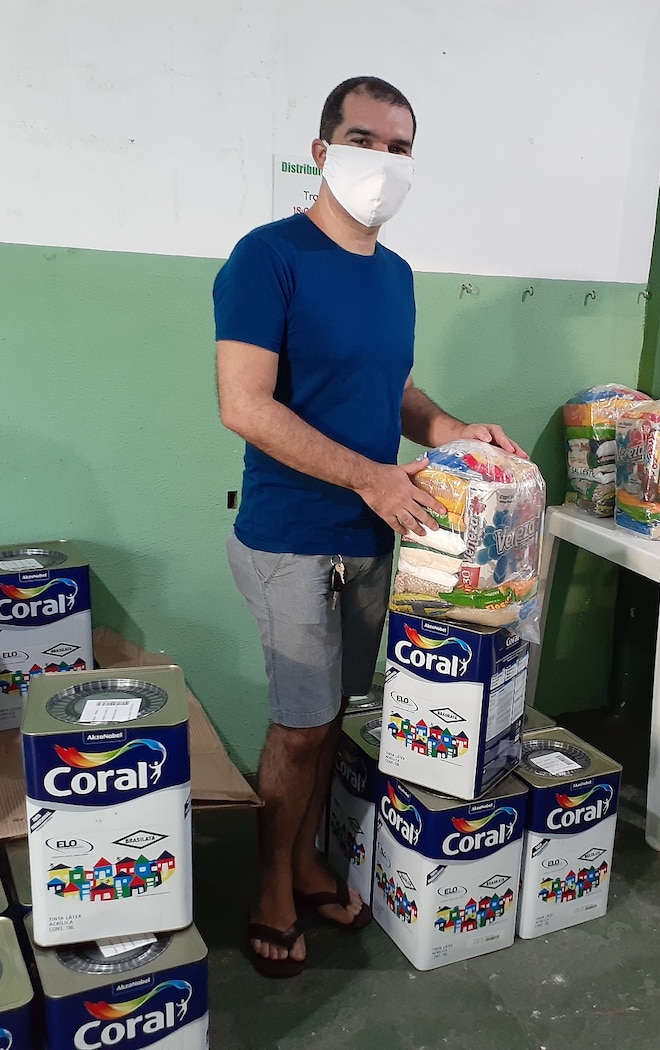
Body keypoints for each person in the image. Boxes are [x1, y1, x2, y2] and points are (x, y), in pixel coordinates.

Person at [214, 75, 523, 978]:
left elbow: (386, 388)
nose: (383, 163)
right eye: (365, 140)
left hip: (374, 537)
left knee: (337, 717)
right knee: (300, 726)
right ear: (322, 151)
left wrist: (449, 430)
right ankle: (274, 882)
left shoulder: (395, 277)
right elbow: (244, 404)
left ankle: (307, 858)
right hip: (289, 536)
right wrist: (372, 479)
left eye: (401, 148)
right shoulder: (266, 257)